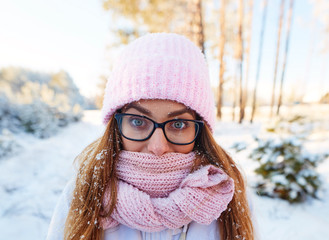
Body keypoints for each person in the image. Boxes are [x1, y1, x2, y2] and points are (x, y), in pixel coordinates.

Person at [47, 33, 254, 240]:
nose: (158, 146)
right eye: (138, 122)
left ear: (200, 130)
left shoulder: (225, 193)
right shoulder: (85, 193)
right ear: (116, 126)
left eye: (178, 124)